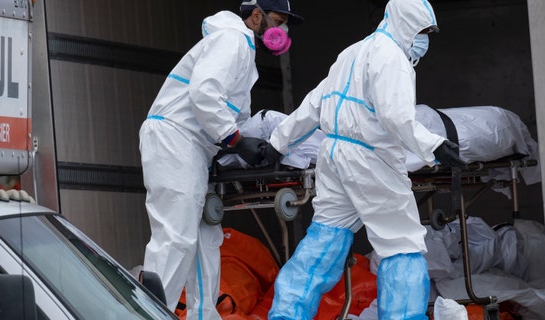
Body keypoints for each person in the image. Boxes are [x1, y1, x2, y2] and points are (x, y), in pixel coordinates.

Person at [264, 0, 465, 319]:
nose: (424, 39)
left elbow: (314, 103)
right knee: (402, 243)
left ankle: (287, 314)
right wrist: (435, 146)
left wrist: (278, 142)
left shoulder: (351, 53)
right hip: (370, 157)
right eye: (423, 31)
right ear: (406, 24)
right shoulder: (393, 58)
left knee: (324, 237)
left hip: (333, 155)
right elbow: (396, 117)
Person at [138, 1, 302, 319]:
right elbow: (204, 93)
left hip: (193, 147)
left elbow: (236, 117)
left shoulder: (242, 52)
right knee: (175, 237)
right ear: (257, 16)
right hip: (175, 138)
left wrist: (253, 143)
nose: (280, 32)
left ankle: (205, 315)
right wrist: (237, 142)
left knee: (204, 239)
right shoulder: (232, 40)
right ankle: (151, 315)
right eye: (279, 22)